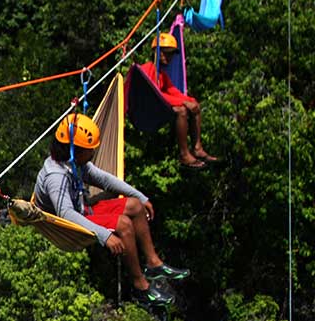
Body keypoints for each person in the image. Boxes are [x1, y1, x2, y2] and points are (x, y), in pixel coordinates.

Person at [36, 113, 190, 307]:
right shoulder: (55, 177)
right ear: (75, 150)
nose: (93, 153)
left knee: (135, 205)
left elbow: (104, 179)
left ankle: (153, 263)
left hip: (82, 208)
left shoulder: (75, 163)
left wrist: (141, 196)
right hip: (68, 224)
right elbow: (66, 214)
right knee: (124, 224)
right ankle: (140, 287)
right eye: (90, 150)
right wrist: (105, 235)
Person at [139, 33, 219, 169]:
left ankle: (197, 148)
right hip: (148, 109)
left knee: (194, 106)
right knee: (181, 110)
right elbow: (155, 93)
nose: (168, 57)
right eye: (166, 53)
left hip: (159, 106)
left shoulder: (162, 75)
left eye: (171, 54)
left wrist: (191, 101)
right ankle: (184, 154)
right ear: (157, 53)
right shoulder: (147, 69)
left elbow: (173, 92)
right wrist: (184, 103)